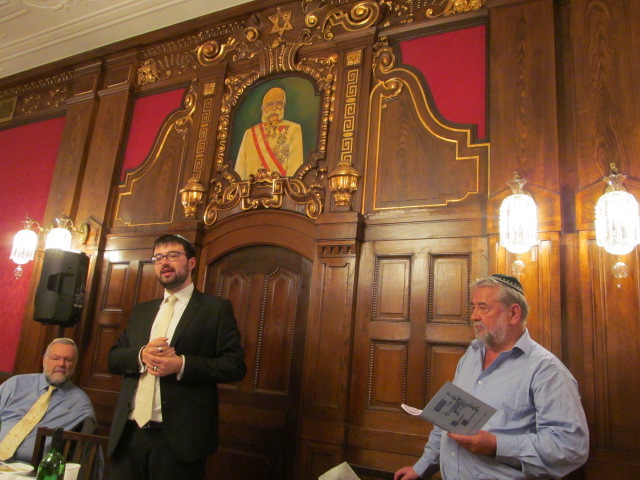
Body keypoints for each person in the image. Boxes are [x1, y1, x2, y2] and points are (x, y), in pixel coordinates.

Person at [394, 274, 589, 480]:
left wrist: (496, 446)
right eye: (473, 307)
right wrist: (422, 467)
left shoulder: (546, 370)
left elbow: (570, 447)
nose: (474, 316)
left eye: (483, 308)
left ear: (513, 313)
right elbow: (448, 420)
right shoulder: (472, 355)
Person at [107, 233, 246, 480]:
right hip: (129, 436)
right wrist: (141, 355)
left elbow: (234, 365)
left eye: (172, 255)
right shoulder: (141, 311)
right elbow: (114, 358)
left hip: (179, 441)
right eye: (158, 257)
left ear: (191, 262)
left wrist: (182, 365)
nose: (164, 262)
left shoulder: (215, 309)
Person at [0, 338, 95, 463]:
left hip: (34, 468)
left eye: (68, 360)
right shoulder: (15, 384)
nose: (61, 364)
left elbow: (90, 451)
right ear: (44, 361)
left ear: (74, 365)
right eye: (55, 358)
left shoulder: (80, 403)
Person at [234, 86, 304, 179]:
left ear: (284, 105)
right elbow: (240, 169)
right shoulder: (250, 133)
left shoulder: (294, 129)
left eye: (279, 103)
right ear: (262, 108)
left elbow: (295, 168)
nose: (274, 108)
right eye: (270, 104)